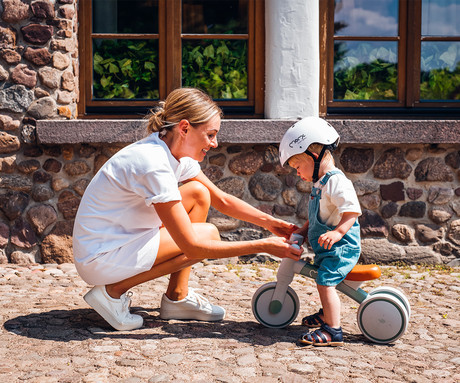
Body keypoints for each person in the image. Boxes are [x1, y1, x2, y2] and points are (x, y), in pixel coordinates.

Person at [73, 87, 302, 331]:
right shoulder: (154, 164)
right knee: (207, 235)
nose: (215, 143)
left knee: (198, 194)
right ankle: (111, 292)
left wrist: (270, 223)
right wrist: (263, 246)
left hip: (118, 240)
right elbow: (192, 246)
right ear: (184, 128)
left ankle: (177, 297)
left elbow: (221, 200)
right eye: (210, 134)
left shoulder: (172, 152)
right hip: (100, 257)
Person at [279, 116, 362, 347]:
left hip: (341, 249)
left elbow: (352, 212)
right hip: (329, 249)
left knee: (325, 282)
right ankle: (326, 314)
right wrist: (304, 230)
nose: (297, 173)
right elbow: (319, 216)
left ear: (313, 156)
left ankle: (332, 331)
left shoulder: (336, 182)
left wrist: (337, 233)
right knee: (322, 279)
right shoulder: (320, 183)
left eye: (297, 166)